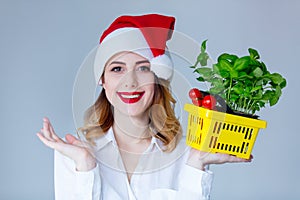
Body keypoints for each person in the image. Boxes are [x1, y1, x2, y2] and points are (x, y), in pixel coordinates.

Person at [37, 14, 251, 200]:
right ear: (102, 79)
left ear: (157, 77)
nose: (130, 82)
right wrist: (86, 167)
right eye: (117, 69)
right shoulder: (75, 154)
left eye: (143, 68)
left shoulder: (185, 153)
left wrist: (196, 164)